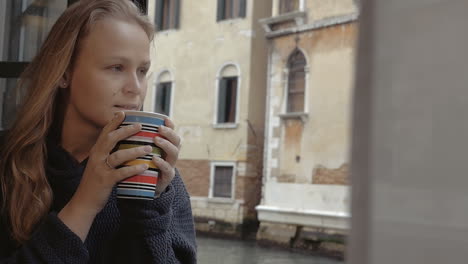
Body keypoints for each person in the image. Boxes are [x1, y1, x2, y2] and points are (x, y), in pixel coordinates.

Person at [0, 0, 197, 263]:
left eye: (142, 71)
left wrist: (147, 206)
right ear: (64, 73)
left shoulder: (162, 183)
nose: (135, 87)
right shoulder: (7, 162)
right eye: (116, 68)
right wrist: (85, 202)